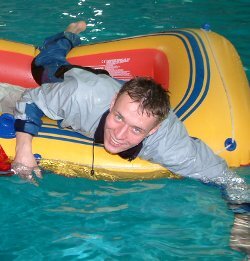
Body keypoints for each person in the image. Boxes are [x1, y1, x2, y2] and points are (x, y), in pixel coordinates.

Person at [1, 21, 249, 256]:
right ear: (112, 104)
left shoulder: (170, 145)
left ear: (152, 131)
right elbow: (31, 99)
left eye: (137, 130)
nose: (119, 136)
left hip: (105, 85)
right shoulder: (80, 95)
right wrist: (23, 149)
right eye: (118, 118)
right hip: (80, 81)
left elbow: (227, 178)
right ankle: (69, 34)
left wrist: (244, 220)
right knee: (45, 62)